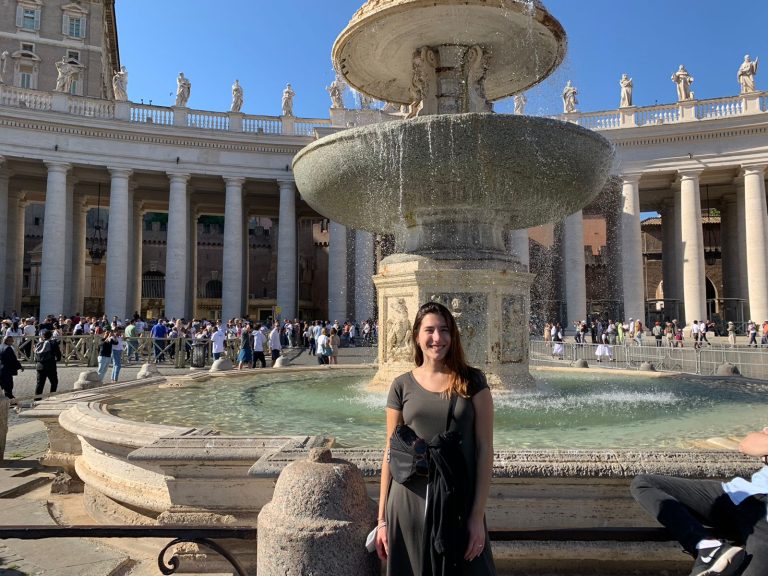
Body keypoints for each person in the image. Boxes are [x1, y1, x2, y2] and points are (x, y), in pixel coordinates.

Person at [374, 301, 496, 575]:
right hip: (407, 501)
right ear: (416, 335)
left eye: (444, 330)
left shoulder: (474, 382)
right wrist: (382, 520)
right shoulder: (400, 385)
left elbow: (485, 450)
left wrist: (477, 517)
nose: (437, 338)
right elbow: (390, 452)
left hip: (457, 502)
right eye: (429, 330)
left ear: (453, 336)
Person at [631, 427, 768, 576]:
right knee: (644, 484)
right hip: (737, 494)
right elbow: (748, 444)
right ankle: (709, 548)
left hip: (764, 523)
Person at [33, 329, 61, 400]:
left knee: (40, 384)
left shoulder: (38, 344)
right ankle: (51, 397)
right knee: (54, 382)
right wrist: (58, 359)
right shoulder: (53, 343)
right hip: (50, 365)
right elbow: (58, 353)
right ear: (51, 336)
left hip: (39, 366)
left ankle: (37, 399)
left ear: (43, 336)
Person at [0, 335, 23, 402]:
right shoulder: (8, 348)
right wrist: (20, 366)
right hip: (6, 370)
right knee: (8, 387)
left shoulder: (0, 346)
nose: (13, 341)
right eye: (11, 340)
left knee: (4, 386)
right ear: (7, 341)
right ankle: (10, 401)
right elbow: (13, 359)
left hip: (1, 369)